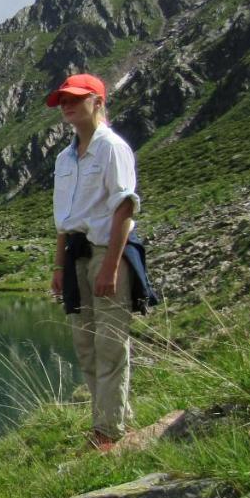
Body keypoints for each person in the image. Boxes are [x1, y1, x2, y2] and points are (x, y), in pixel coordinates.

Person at [47, 73, 154, 451]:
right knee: (87, 344)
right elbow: (64, 217)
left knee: (110, 342)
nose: (66, 104)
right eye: (62, 99)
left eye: (75, 97)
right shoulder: (64, 159)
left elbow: (124, 207)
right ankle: (110, 420)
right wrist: (58, 267)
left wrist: (110, 266)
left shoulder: (112, 148)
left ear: (98, 101)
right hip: (76, 257)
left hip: (107, 253)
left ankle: (107, 433)